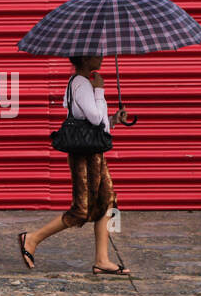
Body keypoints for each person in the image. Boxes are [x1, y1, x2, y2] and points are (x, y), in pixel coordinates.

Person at [18, 55, 131, 275]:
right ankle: (32, 238)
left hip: (94, 153)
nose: (101, 57)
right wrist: (99, 90)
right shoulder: (81, 84)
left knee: (108, 203)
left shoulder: (85, 83)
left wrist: (114, 119)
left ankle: (102, 259)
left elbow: (96, 123)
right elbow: (95, 119)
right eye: (96, 54)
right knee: (82, 210)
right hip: (84, 156)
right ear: (86, 58)